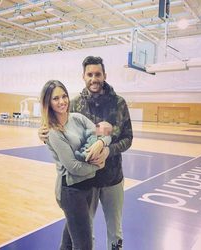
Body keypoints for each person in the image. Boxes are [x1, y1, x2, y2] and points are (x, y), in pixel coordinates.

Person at [39, 56, 133, 249]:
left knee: (115, 232)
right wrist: (41, 131)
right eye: (89, 74)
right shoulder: (74, 104)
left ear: (104, 75)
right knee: (84, 234)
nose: (93, 78)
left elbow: (127, 138)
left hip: (112, 178)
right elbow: (56, 123)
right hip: (84, 183)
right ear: (83, 76)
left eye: (97, 74)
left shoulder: (119, 103)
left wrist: (108, 150)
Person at [40, 80, 111, 250]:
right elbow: (74, 167)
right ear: (48, 103)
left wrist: (101, 144)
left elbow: (107, 132)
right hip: (72, 191)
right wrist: (99, 166)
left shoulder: (77, 118)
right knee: (84, 245)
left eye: (64, 96)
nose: (62, 101)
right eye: (55, 98)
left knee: (69, 242)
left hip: (89, 186)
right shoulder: (53, 132)